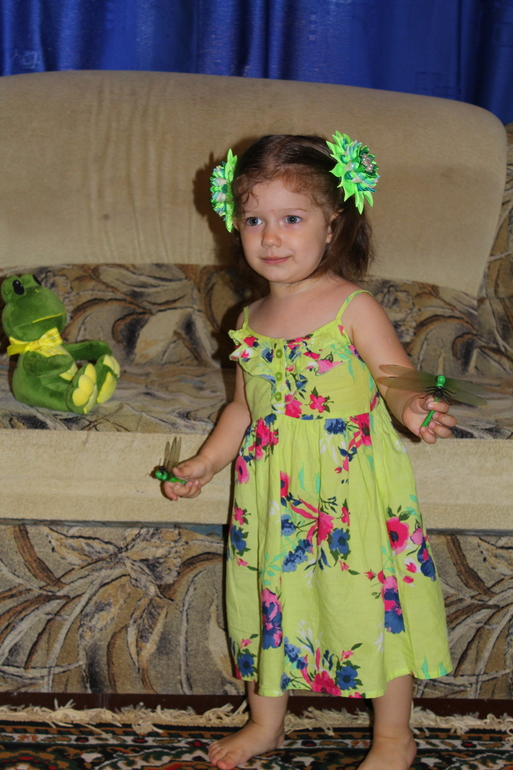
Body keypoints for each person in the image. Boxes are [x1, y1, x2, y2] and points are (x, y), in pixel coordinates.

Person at [163, 132, 454, 770]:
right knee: (268, 600)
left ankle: (394, 737)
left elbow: (395, 374)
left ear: (333, 225)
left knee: (372, 604)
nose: (271, 237)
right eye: (254, 220)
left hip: (349, 491)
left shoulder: (353, 306)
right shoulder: (247, 320)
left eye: (292, 218)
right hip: (273, 496)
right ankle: (265, 723)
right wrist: (204, 463)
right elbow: (244, 409)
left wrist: (416, 404)